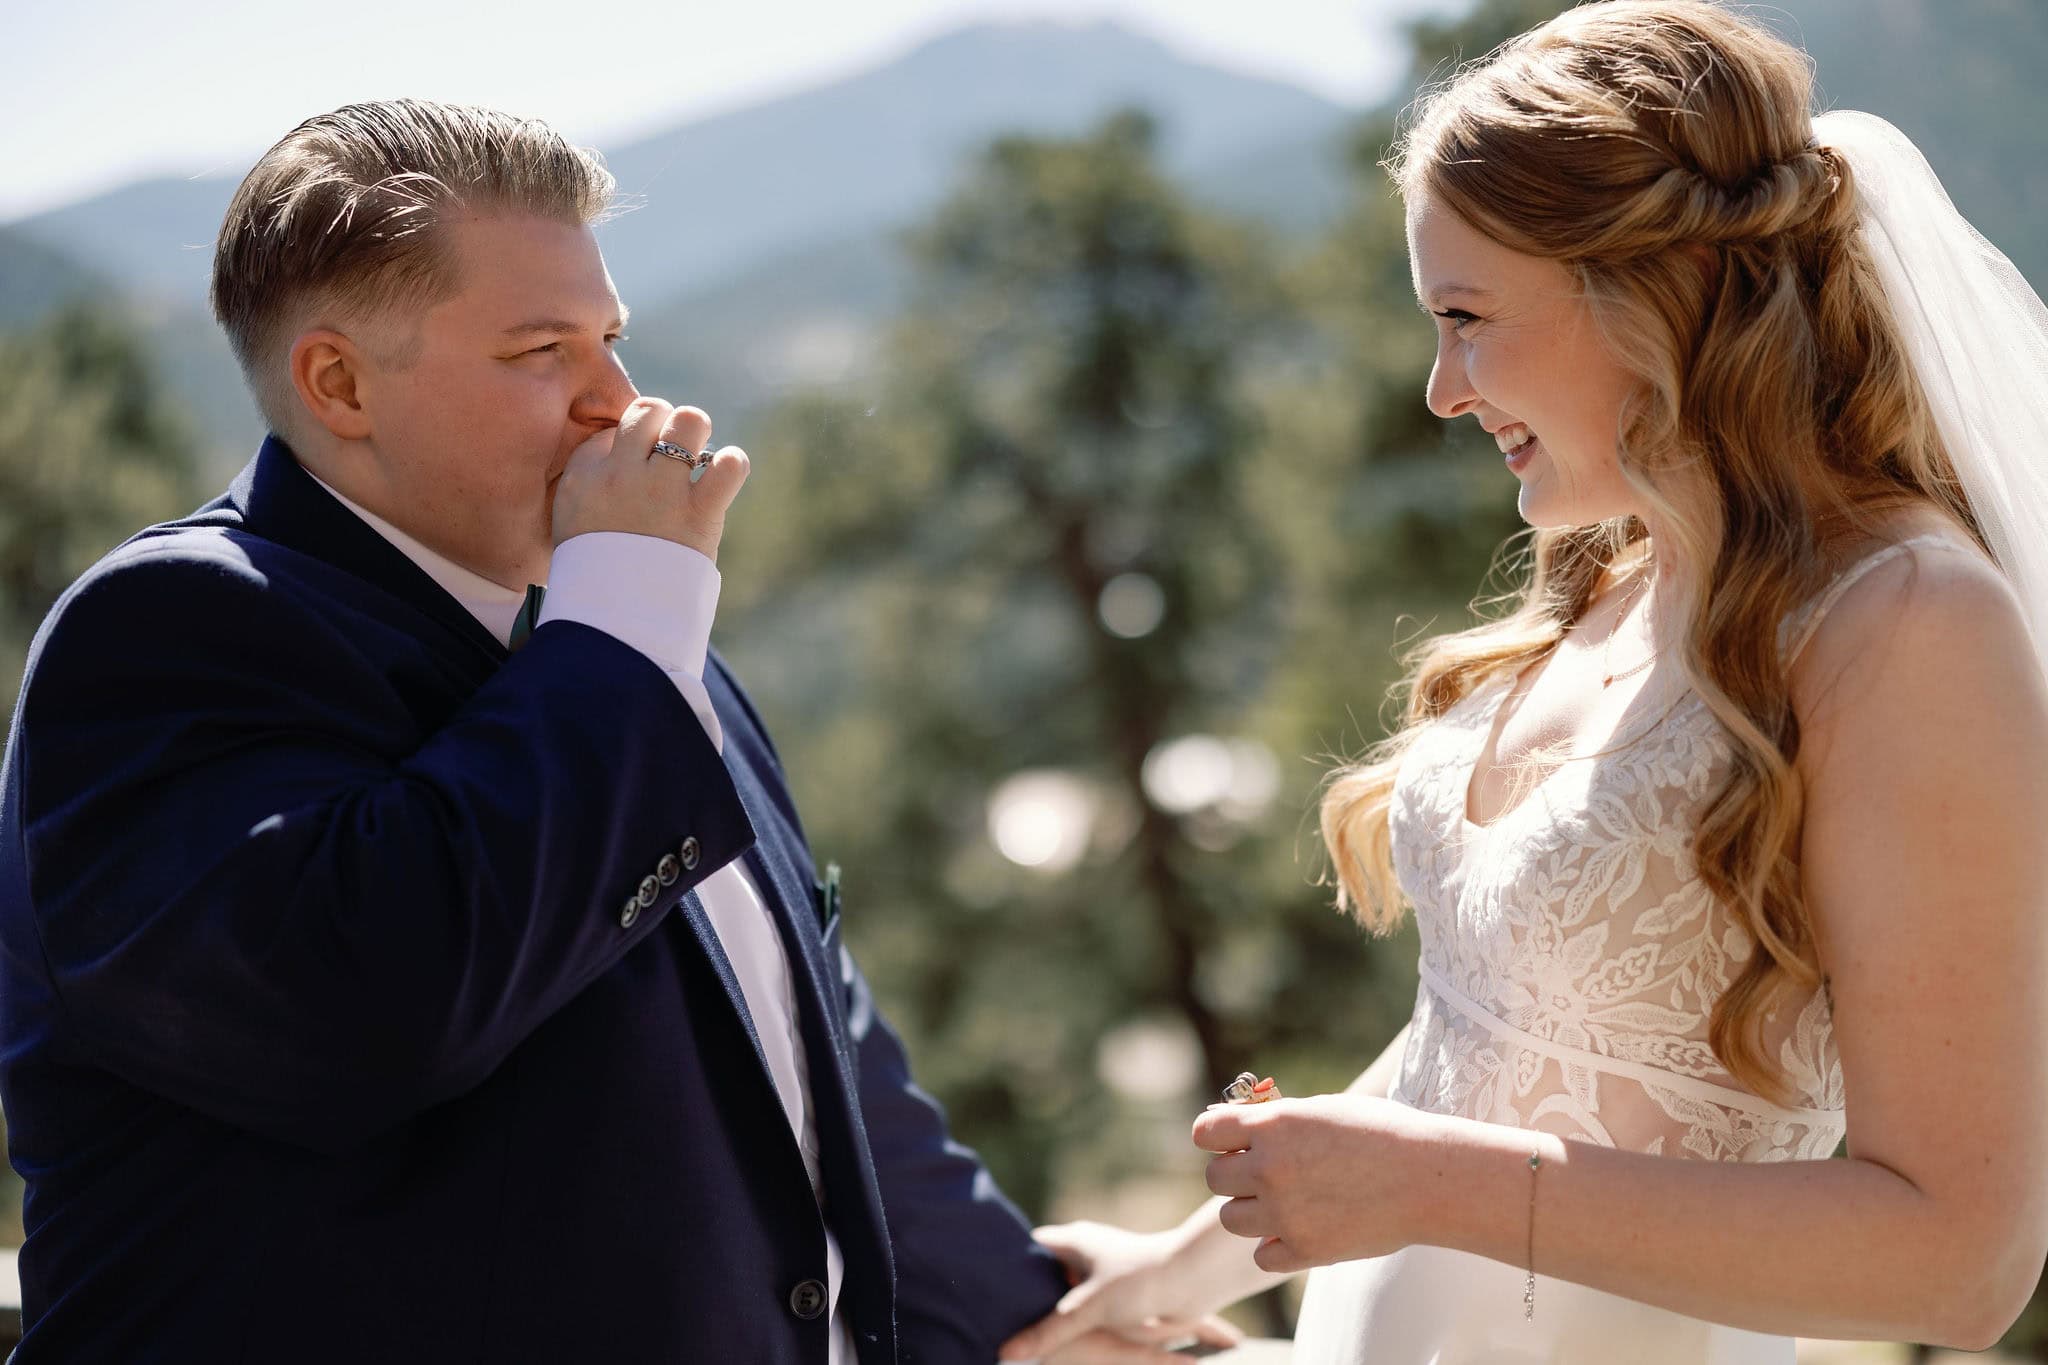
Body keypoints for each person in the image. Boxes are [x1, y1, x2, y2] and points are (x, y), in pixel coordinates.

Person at [999, 2, 2048, 1362]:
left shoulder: (1905, 621)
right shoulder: (1624, 577)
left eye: (1468, 316)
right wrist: (1178, 1270)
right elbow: (1481, 1039)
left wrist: (1428, 1184)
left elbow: (1959, 1262)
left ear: (1647, 292)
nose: (1441, 388)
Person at [0, 99, 1108, 1365]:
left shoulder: (631, 642)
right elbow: (376, 1013)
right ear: (338, 382)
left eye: (613, 339)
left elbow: (810, 1053)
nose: (619, 400)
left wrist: (1028, 1303)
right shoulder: (170, 631)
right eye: (542, 351)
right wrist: (629, 617)